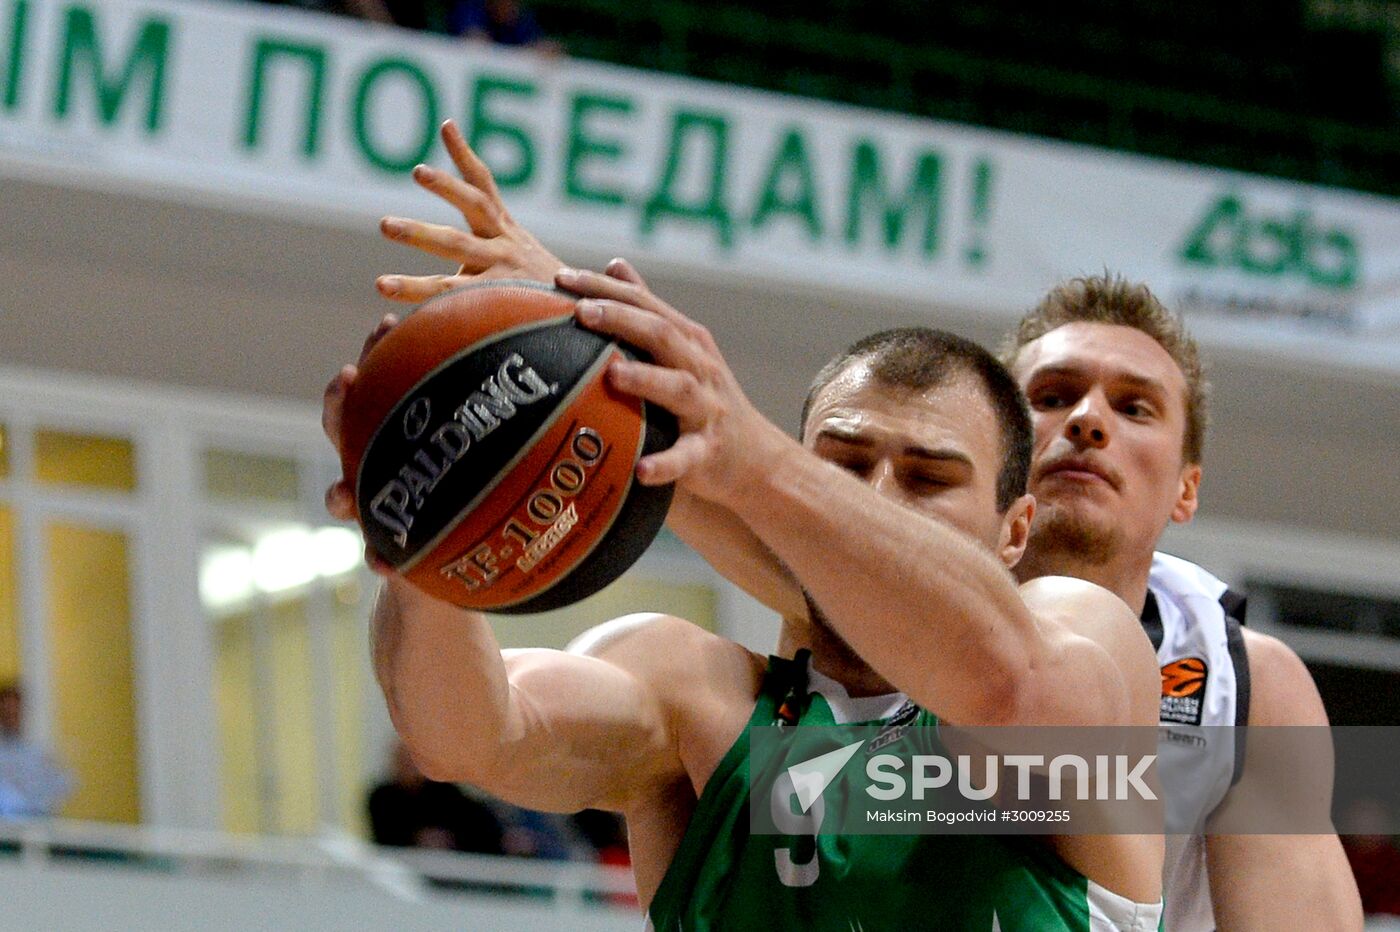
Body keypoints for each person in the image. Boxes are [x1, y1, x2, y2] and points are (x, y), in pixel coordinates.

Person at [367, 121, 1364, 929]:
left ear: (1008, 523)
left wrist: (746, 449)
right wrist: (432, 526)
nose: (1086, 420)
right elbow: (472, 731)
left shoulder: (1205, 666)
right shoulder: (703, 690)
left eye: (1133, 406)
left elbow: (996, 670)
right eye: (842, 466)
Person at [367, 739, 505, 854]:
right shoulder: (382, 797)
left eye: (411, 761)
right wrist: (417, 839)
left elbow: (476, 823)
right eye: (403, 761)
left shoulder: (445, 793)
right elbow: (385, 835)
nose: (408, 766)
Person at [0, 681, 73, 820]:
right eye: (6, 712)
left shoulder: (38, 752)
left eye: (14, 711)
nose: (10, 716)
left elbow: (63, 785)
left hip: (36, 825)